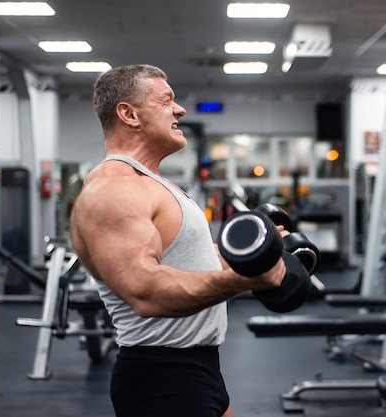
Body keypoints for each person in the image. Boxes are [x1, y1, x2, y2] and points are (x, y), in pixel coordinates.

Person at [69, 64, 286, 417]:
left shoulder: (152, 183)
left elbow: (190, 263)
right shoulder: (113, 190)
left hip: (200, 368)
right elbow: (145, 291)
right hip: (162, 378)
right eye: (166, 100)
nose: (180, 109)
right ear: (128, 114)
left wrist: (259, 254)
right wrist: (246, 280)